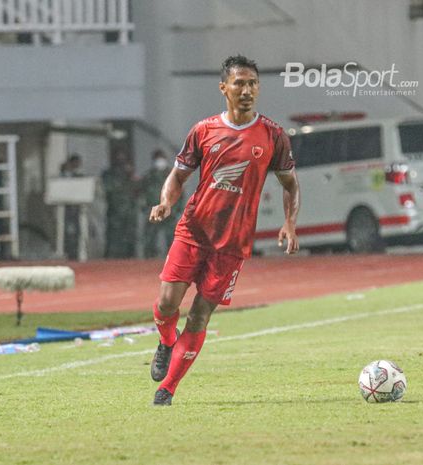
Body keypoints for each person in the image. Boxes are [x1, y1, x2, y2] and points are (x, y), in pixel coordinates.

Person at [147, 55, 301, 406]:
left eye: (252, 84)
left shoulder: (274, 135)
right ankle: (166, 342)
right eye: (239, 83)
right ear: (224, 88)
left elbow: (291, 184)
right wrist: (166, 203)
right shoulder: (203, 131)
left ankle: (167, 389)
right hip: (193, 231)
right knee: (167, 302)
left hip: (233, 243)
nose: (246, 90)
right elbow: (178, 175)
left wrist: (290, 223)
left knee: (200, 313)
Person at [141, 150, 180, 258]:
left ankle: (172, 260)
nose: (160, 161)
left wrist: (176, 210)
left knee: (172, 240)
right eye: (157, 159)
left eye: (161, 158)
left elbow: (180, 194)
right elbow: (141, 194)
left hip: (169, 212)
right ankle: (149, 261)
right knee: (149, 240)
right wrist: (145, 209)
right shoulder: (148, 177)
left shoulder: (172, 176)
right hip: (152, 212)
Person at [102, 149, 140, 258]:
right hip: (115, 210)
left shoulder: (130, 174)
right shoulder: (108, 174)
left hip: (129, 210)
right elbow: (108, 189)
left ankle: (129, 256)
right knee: (113, 235)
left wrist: (131, 177)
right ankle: (111, 256)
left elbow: (136, 190)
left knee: (129, 235)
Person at [60, 153, 84, 259]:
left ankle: (75, 254)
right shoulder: (63, 176)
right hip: (66, 210)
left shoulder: (78, 177)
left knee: (76, 233)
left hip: (76, 209)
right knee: (68, 233)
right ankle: (68, 254)